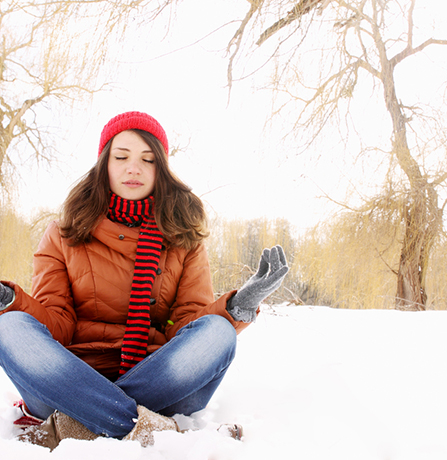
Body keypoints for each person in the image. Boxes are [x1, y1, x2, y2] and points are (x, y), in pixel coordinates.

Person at [0, 111, 288, 450]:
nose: (133, 168)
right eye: (121, 157)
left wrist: (239, 308)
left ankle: (79, 424)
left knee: (218, 333)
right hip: (71, 382)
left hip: (160, 383)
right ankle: (161, 434)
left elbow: (185, 326)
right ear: (104, 164)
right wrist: (8, 302)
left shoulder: (184, 240)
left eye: (147, 160)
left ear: (160, 170)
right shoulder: (63, 235)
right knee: (10, 326)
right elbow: (57, 323)